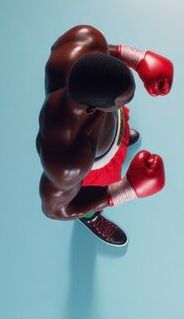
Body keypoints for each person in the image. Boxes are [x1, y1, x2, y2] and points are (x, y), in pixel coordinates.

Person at [37, 25, 173, 247]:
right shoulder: (70, 163)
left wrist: (138, 59)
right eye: (121, 101)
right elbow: (55, 210)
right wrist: (126, 189)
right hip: (96, 167)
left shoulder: (85, 40)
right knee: (92, 199)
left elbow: (103, 53)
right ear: (92, 109)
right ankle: (90, 217)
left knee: (120, 126)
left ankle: (122, 138)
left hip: (108, 132)